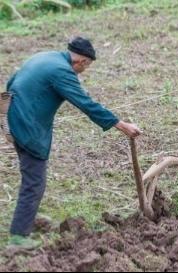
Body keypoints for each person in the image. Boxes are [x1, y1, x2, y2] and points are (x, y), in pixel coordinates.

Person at [6, 37, 141, 249]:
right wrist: (121, 125)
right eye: (87, 66)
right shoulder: (62, 71)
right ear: (82, 62)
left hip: (13, 117)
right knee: (35, 182)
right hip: (27, 126)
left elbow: (12, 81)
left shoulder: (46, 57)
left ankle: (27, 217)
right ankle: (18, 237)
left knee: (31, 175)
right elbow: (85, 103)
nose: (84, 70)